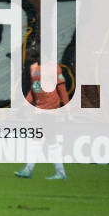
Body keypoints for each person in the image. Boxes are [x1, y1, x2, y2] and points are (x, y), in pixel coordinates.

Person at [15, 39, 70, 181]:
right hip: (40, 110)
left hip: (50, 110)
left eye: (35, 49)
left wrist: (67, 106)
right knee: (46, 140)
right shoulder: (33, 68)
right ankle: (58, 172)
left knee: (39, 139)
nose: (32, 51)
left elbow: (61, 88)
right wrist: (24, 105)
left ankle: (31, 170)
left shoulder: (54, 68)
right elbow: (34, 89)